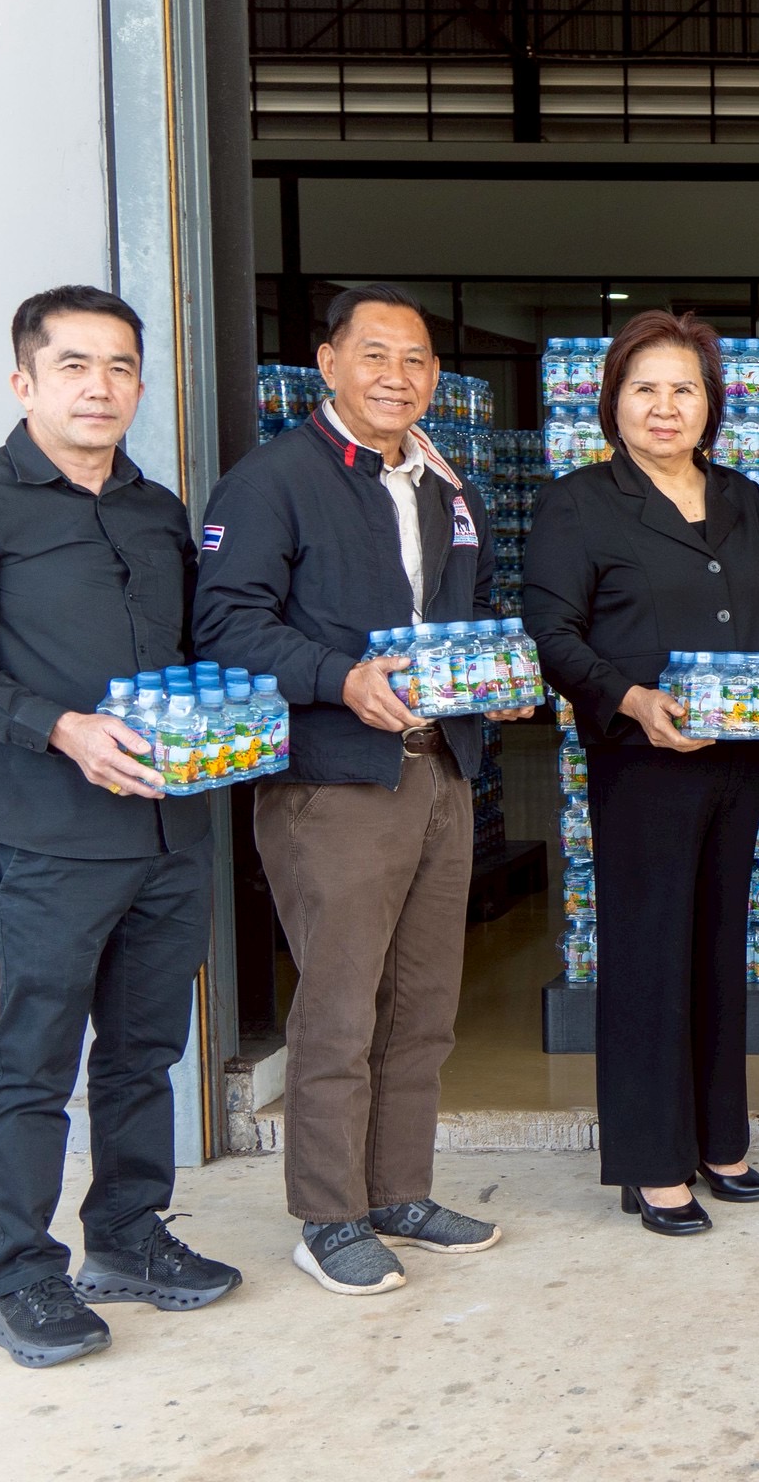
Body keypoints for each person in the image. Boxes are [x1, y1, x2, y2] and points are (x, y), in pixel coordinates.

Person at [0, 286, 241, 1366]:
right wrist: (60, 730)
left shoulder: (155, 508)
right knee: (37, 1058)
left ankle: (129, 1239)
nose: (101, 387)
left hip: (169, 828)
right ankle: (24, 1278)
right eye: (76, 366)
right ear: (25, 382)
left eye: (121, 367)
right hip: (45, 829)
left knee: (145, 1051)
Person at [194, 283, 533, 1294]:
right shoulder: (274, 481)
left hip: (439, 768)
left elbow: (455, 615)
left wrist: (493, 684)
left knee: (424, 1003)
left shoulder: (440, 481)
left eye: (417, 360)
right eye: (376, 355)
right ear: (328, 362)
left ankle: (398, 1190)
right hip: (334, 781)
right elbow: (227, 624)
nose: (399, 376)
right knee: (340, 1008)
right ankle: (328, 1215)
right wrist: (338, 680)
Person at [523, 310, 759, 1236]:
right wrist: (634, 701)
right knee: (649, 956)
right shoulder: (581, 502)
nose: (665, 406)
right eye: (644, 387)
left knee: (721, 946)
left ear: (711, 404)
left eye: (684, 388)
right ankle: (652, 1164)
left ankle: (721, 1141)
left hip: (736, 761)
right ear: (613, 402)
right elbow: (552, 633)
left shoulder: (741, 497)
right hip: (643, 764)